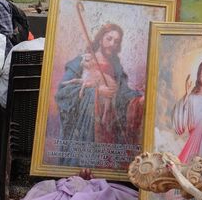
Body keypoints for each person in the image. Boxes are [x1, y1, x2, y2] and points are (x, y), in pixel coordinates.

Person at [55, 23, 144, 168]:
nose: (112, 44)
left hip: (109, 127)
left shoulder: (116, 66)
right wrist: (96, 92)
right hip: (86, 126)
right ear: (101, 38)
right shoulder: (83, 60)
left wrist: (138, 100)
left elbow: (122, 92)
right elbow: (63, 92)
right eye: (109, 39)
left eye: (116, 41)